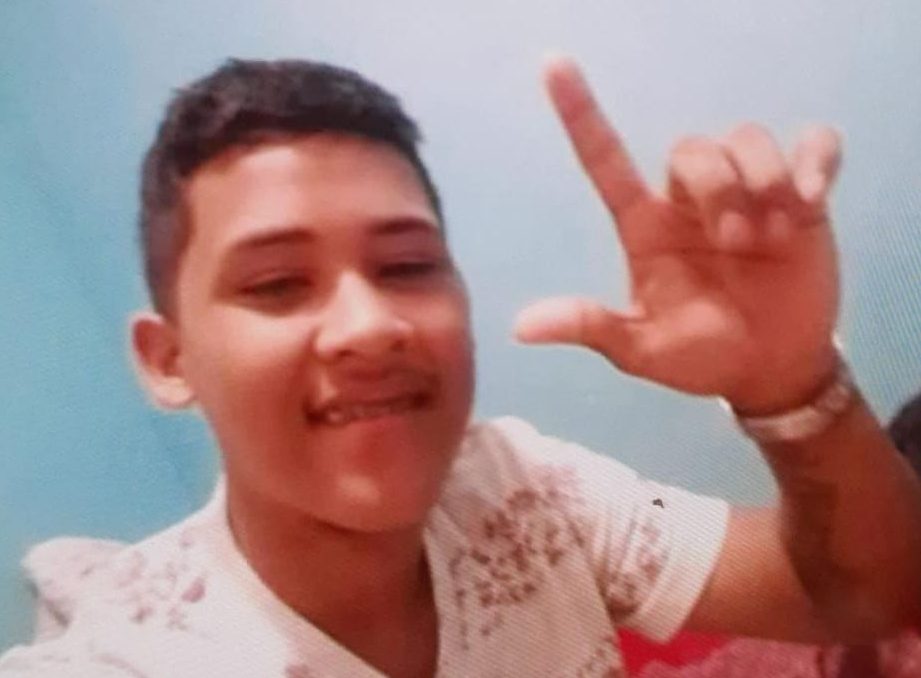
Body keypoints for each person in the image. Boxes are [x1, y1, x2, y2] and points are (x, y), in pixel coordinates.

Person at [0, 56, 919, 677]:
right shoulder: (134, 658)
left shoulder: (522, 492)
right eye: (278, 284)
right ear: (169, 361)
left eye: (406, 265)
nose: (370, 325)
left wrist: (789, 384)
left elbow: (868, 596)